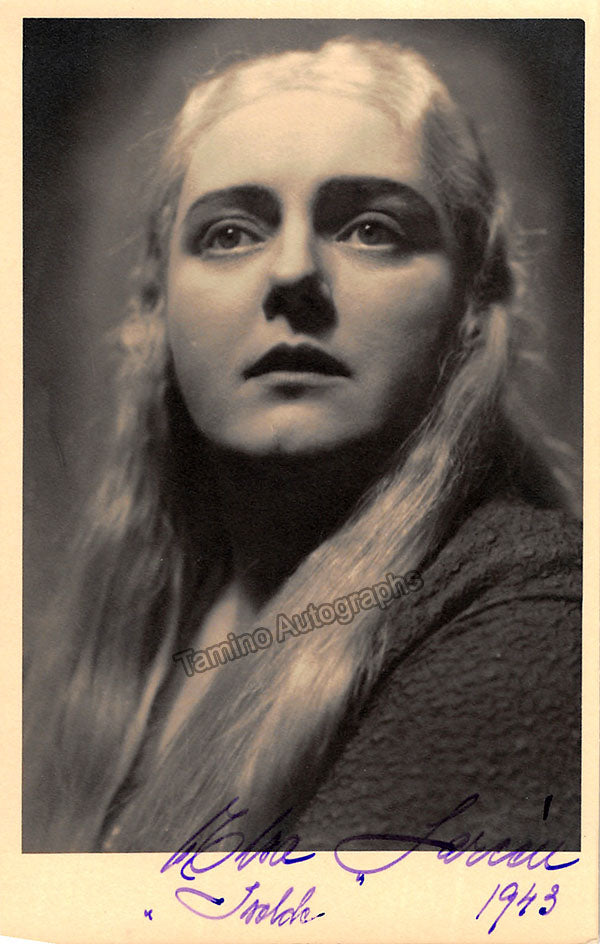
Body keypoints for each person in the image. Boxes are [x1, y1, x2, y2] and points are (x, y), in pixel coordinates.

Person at [23, 35, 581, 854]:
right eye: (229, 234)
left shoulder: (530, 625)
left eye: (371, 228)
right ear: (157, 308)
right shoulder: (157, 623)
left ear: (472, 305)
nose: (293, 273)